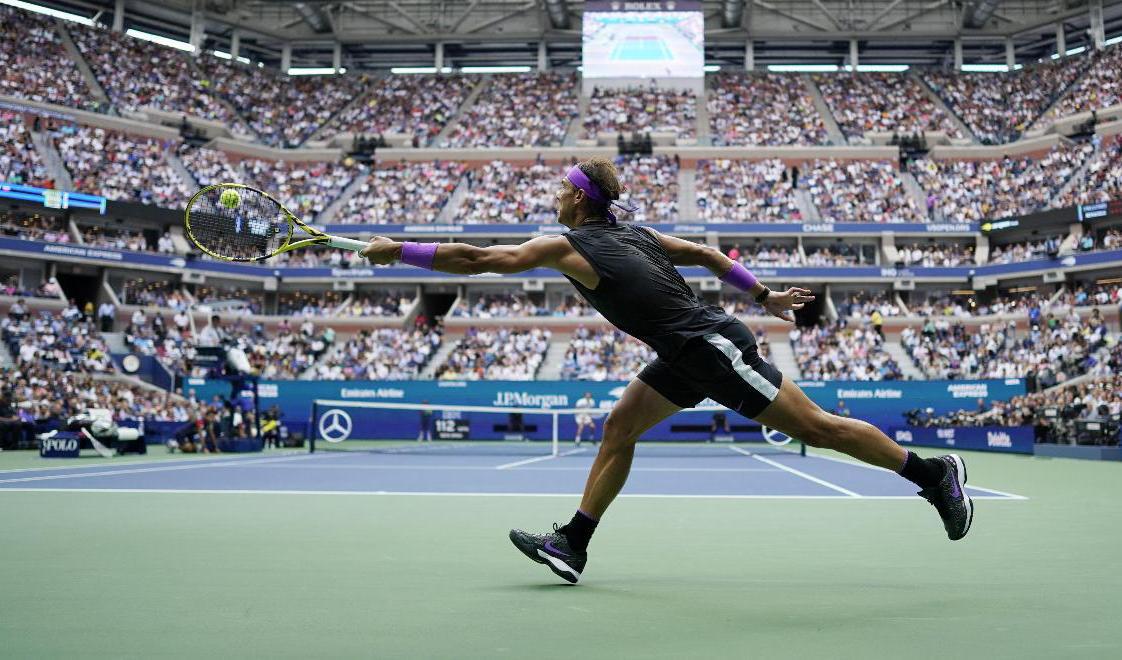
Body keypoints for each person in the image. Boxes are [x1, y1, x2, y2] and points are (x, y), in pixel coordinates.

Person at [361, 157, 973, 584]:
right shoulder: (640, 233)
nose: (554, 195)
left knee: (818, 428)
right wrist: (764, 297)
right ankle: (572, 544)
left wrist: (401, 250)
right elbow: (707, 254)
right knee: (619, 427)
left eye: (560, 188)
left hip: (709, 346)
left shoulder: (563, 245)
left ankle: (932, 474)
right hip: (680, 354)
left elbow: (479, 258)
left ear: (579, 197)